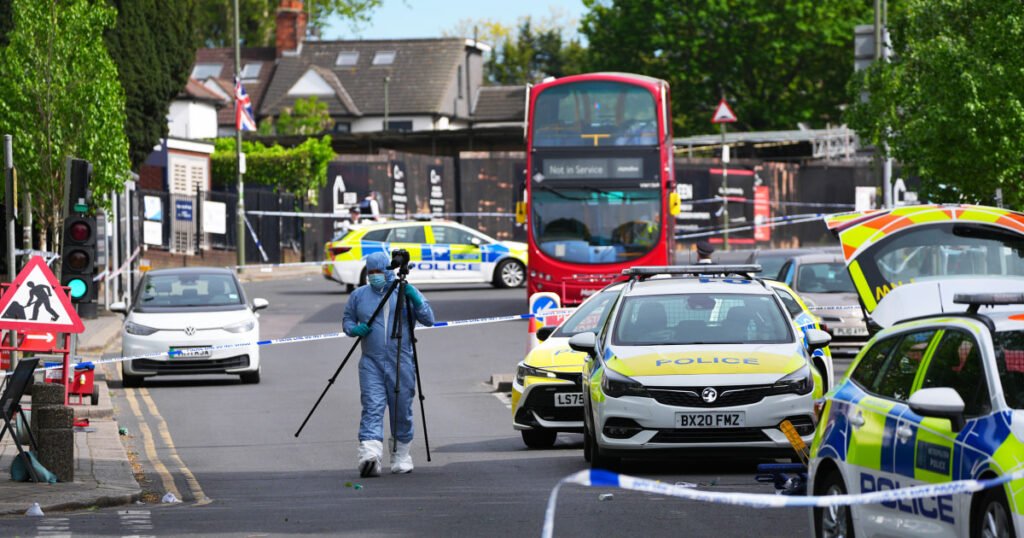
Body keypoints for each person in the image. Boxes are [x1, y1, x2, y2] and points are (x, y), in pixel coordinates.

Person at [343, 252, 434, 477]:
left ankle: (401, 454)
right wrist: (354, 329)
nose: (374, 276)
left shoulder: (403, 292)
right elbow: (347, 319)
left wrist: (413, 295)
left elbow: (429, 318)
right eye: (371, 271)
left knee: (401, 409)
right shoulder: (358, 295)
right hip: (370, 361)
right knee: (372, 406)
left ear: (388, 270)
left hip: (400, 360)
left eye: (379, 271)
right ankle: (369, 455)